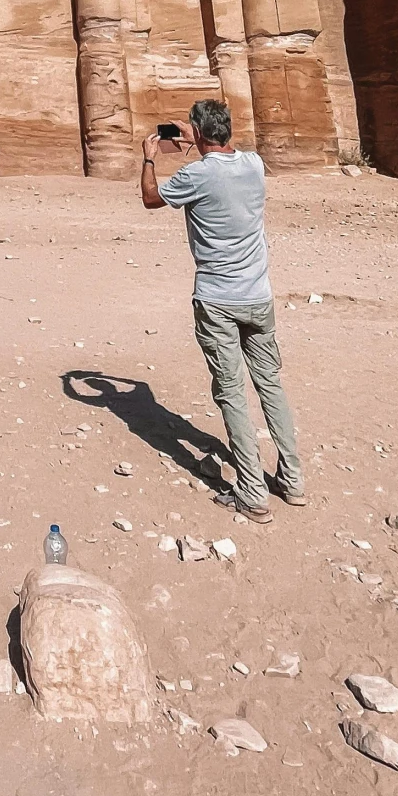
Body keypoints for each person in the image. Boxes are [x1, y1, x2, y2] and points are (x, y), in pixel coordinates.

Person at [140, 98, 305, 522]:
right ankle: (292, 479)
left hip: (217, 298)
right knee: (271, 385)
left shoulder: (195, 175)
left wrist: (149, 159)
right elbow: (225, 153)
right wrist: (196, 134)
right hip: (258, 296)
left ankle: (251, 493)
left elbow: (150, 198)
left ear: (197, 133)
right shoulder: (253, 164)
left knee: (231, 392)